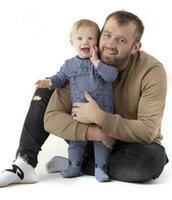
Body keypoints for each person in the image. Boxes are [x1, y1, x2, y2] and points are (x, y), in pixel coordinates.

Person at [0, 10, 168, 188]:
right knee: (47, 89)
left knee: (151, 161)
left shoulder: (151, 71)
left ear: (135, 47)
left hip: (129, 145)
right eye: (107, 35)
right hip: (89, 137)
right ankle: (24, 164)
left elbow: (147, 131)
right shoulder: (82, 65)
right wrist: (97, 133)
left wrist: (100, 117)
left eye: (121, 40)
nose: (110, 44)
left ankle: (78, 164)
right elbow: (52, 119)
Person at [35, 19, 118, 182]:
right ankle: (74, 165)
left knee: (101, 142)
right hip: (79, 114)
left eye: (90, 38)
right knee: (76, 141)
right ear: (72, 42)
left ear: (98, 41)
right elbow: (60, 78)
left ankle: (100, 168)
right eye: (80, 39)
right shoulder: (69, 65)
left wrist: (96, 62)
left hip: (102, 113)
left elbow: (112, 75)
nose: (85, 42)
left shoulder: (102, 61)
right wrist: (49, 82)